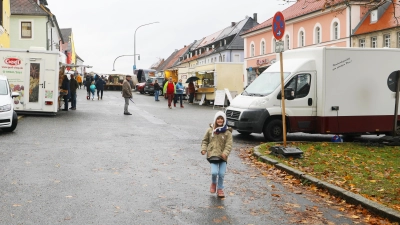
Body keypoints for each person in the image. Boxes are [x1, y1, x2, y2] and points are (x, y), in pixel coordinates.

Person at [201, 111, 232, 198]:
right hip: (213, 155)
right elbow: (205, 141)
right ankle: (214, 183)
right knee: (214, 172)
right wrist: (204, 149)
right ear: (215, 120)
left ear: (224, 120)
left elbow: (229, 145)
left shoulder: (227, 133)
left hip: (223, 156)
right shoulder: (210, 131)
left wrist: (225, 153)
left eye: (221, 119)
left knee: (221, 174)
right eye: (218, 118)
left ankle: (220, 189)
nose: (220, 120)